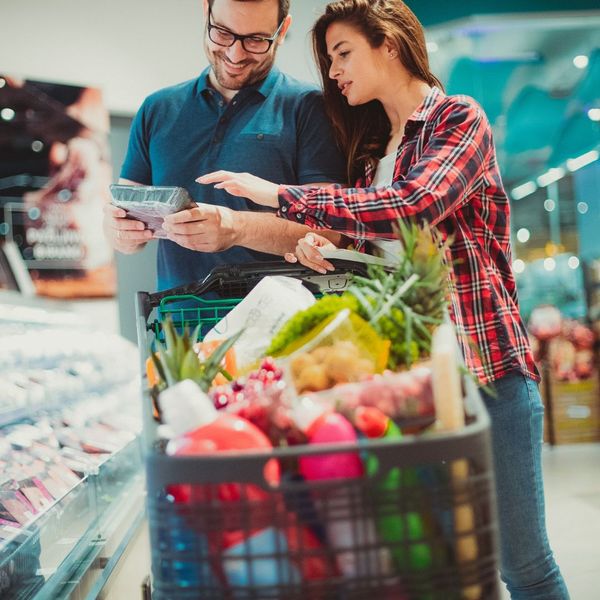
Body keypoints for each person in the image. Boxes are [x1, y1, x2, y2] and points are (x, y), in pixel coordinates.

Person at [198, 0, 570, 597]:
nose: (335, 71)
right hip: (414, 384)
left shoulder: (457, 119)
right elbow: (385, 250)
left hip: (488, 373)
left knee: (521, 564)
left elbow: (416, 206)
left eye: (343, 53)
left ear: (389, 44)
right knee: (452, 566)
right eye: (328, 60)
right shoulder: (374, 155)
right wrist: (328, 248)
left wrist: (280, 196)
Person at [103, 0, 345, 292]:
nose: (235, 53)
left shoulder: (311, 108)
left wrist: (235, 227)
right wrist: (119, 231)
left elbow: (331, 232)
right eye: (222, 32)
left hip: (279, 329)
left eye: (256, 40)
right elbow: (123, 216)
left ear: (282, 31)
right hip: (176, 327)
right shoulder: (157, 108)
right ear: (206, 12)